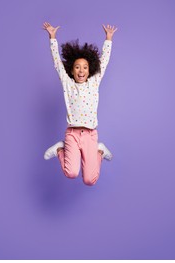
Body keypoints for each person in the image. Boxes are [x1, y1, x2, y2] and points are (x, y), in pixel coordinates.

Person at [42, 22, 117, 186]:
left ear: (90, 71)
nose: (81, 70)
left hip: (90, 135)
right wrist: (52, 38)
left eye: (85, 67)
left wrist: (108, 39)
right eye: (77, 67)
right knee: (71, 173)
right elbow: (57, 64)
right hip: (72, 134)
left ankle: (100, 151)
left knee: (90, 180)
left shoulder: (94, 82)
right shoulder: (68, 84)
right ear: (72, 70)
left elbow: (103, 62)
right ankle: (60, 150)